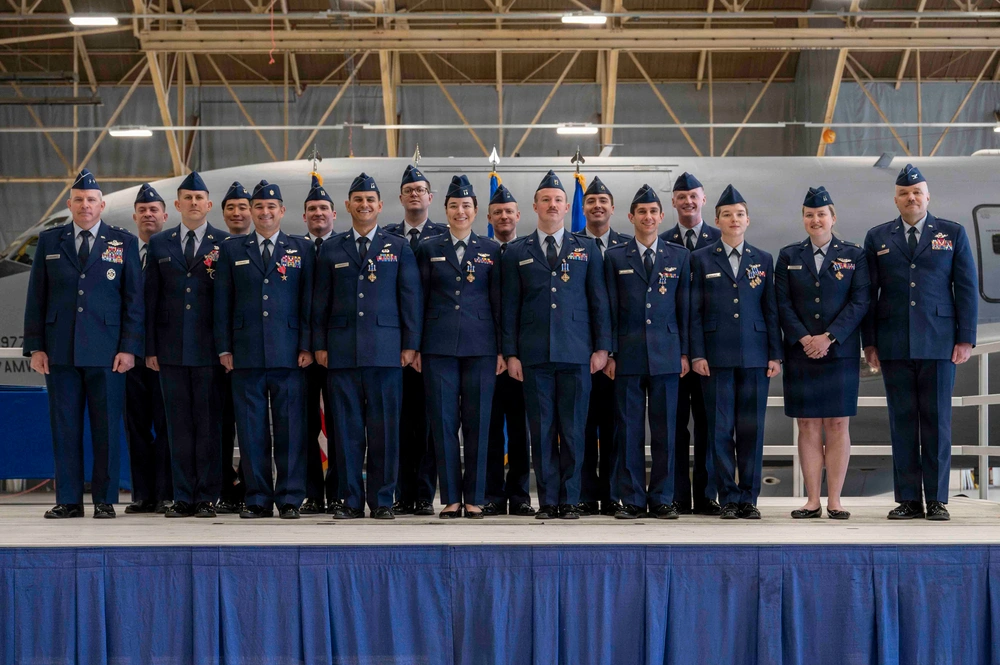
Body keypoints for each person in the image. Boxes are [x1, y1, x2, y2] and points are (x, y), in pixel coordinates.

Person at [24, 169, 143, 519]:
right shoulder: (50, 241)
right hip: (60, 351)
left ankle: (105, 499)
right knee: (65, 428)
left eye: (91, 200)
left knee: (106, 428)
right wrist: (36, 346)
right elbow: (37, 297)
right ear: (69, 204)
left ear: (102, 205)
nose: (85, 205)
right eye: (79, 200)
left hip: (107, 353)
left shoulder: (122, 242)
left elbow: (133, 300)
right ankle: (69, 500)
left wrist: (129, 347)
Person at [862, 164, 977, 521]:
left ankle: (938, 499)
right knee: (902, 422)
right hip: (894, 342)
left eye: (917, 192)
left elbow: (966, 288)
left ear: (928, 197)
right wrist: (870, 342)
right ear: (896, 199)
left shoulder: (952, 233)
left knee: (937, 422)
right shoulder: (878, 237)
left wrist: (965, 339)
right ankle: (909, 499)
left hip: (939, 342)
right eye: (904, 193)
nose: (911, 198)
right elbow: (869, 293)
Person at [501, 170, 612, 520]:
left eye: (558, 200)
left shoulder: (587, 248)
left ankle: (571, 499)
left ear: (567, 207)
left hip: (577, 353)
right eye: (546, 199)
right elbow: (510, 306)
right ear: (535, 206)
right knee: (542, 430)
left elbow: (598, 301)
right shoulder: (516, 251)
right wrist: (511, 353)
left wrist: (602, 348)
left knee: (575, 430)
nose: (552, 204)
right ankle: (549, 500)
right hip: (534, 355)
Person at [312, 172, 422, 519]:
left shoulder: (398, 247)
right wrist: (319, 344)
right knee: (346, 431)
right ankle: (349, 500)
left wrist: (410, 343)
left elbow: (410, 299)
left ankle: (383, 500)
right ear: (347, 205)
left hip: (386, 352)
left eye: (370, 200)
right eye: (358, 200)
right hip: (342, 352)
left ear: (380, 205)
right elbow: (320, 302)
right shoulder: (332, 248)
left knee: (384, 431)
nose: (364, 205)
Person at [214, 179, 314, 519]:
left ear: (282, 211)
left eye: (271, 206)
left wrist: (307, 344)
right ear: (252, 211)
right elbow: (222, 302)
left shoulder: (301, 249)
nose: (265, 212)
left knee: (290, 430)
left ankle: (289, 498)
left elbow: (308, 302)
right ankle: (256, 497)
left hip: (290, 352)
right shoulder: (232, 250)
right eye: (259, 206)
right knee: (251, 429)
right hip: (246, 353)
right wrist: (224, 348)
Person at [774, 186, 870, 520]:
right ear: (803, 219)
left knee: (838, 423)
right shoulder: (789, 256)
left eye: (821, 214)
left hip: (839, 351)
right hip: (802, 353)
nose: (816, 220)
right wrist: (804, 338)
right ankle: (812, 500)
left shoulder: (854, 255)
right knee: (807, 424)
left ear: (833, 218)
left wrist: (829, 337)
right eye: (810, 215)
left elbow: (860, 301)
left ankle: (836, 500)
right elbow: (782, 303)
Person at [690, 184, 782, 520]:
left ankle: (749, 497)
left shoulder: (763, 259)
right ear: (716, 221)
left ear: (748, 220)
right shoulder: (701, 259)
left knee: (751, 430)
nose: (734, 219)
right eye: (727, 215)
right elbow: (694, 312)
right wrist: (697, 354)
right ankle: (728, 496)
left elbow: (771, 310)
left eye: (740, 214)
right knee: (719, 430)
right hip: (716, 358)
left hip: (756, 356)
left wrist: (775, 354)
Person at [414, 175, 503, 519]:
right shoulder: (428, 248)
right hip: (438, 347)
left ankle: (475, 497)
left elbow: (500, 303)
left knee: (478, 424)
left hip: (482, 347)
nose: (460, 211)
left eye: (466, 205)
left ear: (476, 211)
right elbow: (418, 300)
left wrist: (502, 350)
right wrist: (415, 346)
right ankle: (451, 498)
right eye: (454, 206)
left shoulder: (492, 250)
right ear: (445, 209)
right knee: (443, 423)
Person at [604, 184, 689, 520]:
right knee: (629, 431)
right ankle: (632, 499)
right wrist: (610, 352)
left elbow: (685, 309)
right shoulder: (615, 257)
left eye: (653, 211)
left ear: (662, 215)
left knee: (666, 430)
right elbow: (609, 309)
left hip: (667, 353)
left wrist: (685, 352)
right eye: (642, 211)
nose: (648, 217)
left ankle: (663, 498)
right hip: (628, 354)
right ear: (631, 217)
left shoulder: (678, 256)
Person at [144, 171, 226, 518]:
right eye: (187, 198)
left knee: (208, 425)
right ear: (177, 205)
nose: (193, 203)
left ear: (209, 205)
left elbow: (228, 299)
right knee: (177, 426)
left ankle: (206, 496)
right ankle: (182, 496)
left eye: (199, 198)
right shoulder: (159, 243)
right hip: (170, 349)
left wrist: (226, 347)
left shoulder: (225, 243)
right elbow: (150, 298)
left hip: (209, 348)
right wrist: (149, 348)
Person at [384, 164, 446, 516]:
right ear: (401, 197)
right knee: (396, 423)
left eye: (420, 189)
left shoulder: (443, 237)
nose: (414, 195)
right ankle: (400, 492)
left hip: (432, 345)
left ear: (430, 197)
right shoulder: (387, 238)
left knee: (428, 423)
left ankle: (423, 493)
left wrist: (421, 344)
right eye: (408, 190)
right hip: (393, 345)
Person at [661, 171, 722, 516]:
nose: (688, 202)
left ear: (703, 200)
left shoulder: (721, 238)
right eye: (682, 197)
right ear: (674, 202)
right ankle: (677, 495)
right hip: (672, 351)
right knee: (674, 426)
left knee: (709, 425)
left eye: (693, 196)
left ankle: (708, 495)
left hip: (710, 351)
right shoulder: (662, 241)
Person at [579, 176, 631, 516]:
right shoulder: (571, 245)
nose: (597, 206)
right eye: (591, 201)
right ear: (583, 209)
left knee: (615, 427)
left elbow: (625, 306)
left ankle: (613, 493)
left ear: (613, 208)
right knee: (581, 426)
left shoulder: (627, 248)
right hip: (579, 354)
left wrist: (611, 351)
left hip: (618, 358)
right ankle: (586, 493)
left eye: (603, 201)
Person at [482, 185, 535, 517]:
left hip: (520, 357)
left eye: (508, 211)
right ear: (488, 218)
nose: (503, 216)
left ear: (518, 215)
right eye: (497, 212)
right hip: (486, 356)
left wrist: (512, 351)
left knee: (519, 429)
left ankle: (519, 494)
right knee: (489, 428)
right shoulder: (481, 251)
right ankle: (491, 494)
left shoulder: (528, 251)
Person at [123, 183, 173, 515]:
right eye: (142, 210)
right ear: (135, 217)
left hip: (165, 354)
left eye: (154, 209)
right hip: (131, 355)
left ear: (165, 216)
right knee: (136, 426)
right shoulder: (123, 252)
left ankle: (166, 491)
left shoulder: (172, 251)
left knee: (168, 425)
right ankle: (142, 493)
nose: (148, 214)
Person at [299, 175, 341, 516]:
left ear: (334, 214)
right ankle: (312, 493)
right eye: (312, 208)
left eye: (324, 208)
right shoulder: (294, 249)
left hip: (338, 351)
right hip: (300, 353)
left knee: (340, 424)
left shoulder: (343, 247)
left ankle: (339, 491)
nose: (318, 213)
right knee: (305, 426)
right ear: (303, 216)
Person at [215, 181, 252, 514]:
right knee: (222, 424)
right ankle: (225, 486)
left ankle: (250, 484)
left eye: (243, 207)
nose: (237, 213)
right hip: (218, 353)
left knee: (253, 425)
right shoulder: (215, 246)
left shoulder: (267, 247)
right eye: (231, 208)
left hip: (254, 354)